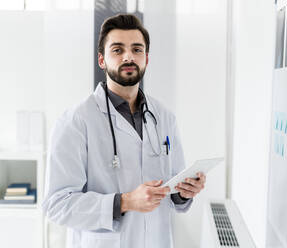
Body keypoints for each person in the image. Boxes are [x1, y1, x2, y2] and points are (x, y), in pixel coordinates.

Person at [42, 14, 206, 248]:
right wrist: (124, 202)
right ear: (102, 60)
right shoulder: (75, 121)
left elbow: (172, 187)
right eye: (117, 50)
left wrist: (183, 192)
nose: (129, 56)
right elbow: (56, 205)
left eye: (137, 50)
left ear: (146, 58)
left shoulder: (164, 117)